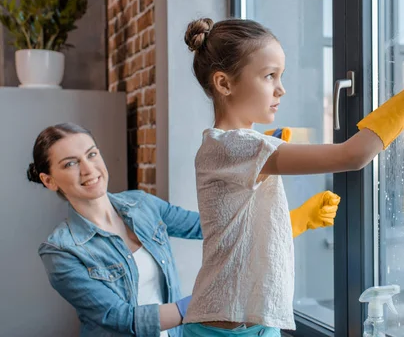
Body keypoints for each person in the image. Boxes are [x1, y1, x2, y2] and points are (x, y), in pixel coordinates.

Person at [181, 18, 404, 336]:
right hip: (227, 332)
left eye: (280, 76)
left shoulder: (233, 145)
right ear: (225, 84)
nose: (281, 89)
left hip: (249, 325)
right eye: (269, 76)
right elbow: (351, 155)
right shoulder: (233, 146)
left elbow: (237, 233)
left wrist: (297, 220)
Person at [30, 122, 340, 337]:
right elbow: (118, 318)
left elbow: (214, 225)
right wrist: (199, 303)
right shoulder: (61, 250)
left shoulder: (141, 205)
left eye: (92, 154)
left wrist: (293, 216)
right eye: (70, 163)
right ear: (49, 180)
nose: (89, 169)